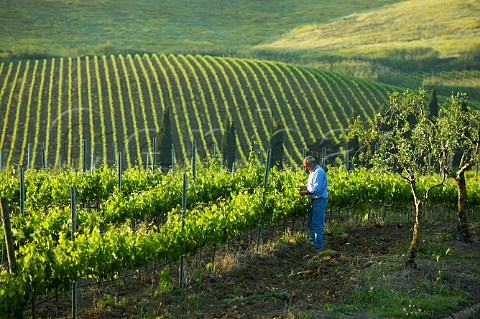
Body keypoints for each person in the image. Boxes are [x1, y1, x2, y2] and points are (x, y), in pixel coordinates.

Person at [298, 156, 328, 250]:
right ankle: (313, 243)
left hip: (319, 200)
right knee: (311, 223)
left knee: (317, 223)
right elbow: (310, 186)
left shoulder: (318, 172)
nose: (306, 168)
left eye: (306, 166)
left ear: (312, 163)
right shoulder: (313, 172)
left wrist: (304, 193)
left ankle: (318, 246)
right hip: (314, 200)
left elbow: (316, 189)